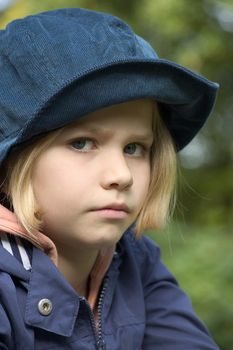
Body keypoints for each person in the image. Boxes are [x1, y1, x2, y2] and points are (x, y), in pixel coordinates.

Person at [0, 7, 220, 350]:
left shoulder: (135, 258)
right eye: (82, 143)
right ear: (13, 161)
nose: (120, 175)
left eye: (135, 148)